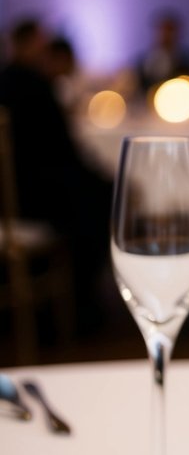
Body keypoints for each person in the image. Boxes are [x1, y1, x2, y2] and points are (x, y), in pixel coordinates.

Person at [0, 18, 112, 333]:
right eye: (42, 43)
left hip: (12, 199)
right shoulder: (35, 85)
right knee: (102, 201)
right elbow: (62, 153)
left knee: (94, 194)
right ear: (28, 44)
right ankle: (80, 309)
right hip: (33, 200)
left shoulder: (7, 80)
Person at [135, 10, 189, 93]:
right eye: (162, 30)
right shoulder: (144, 60)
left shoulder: (188, 60)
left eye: (169, 30)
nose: (165, 34)